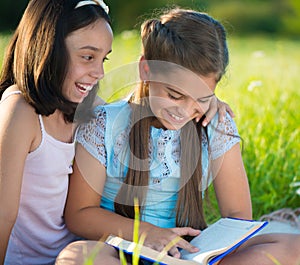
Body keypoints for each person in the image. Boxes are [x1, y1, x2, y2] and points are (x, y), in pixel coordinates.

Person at [56, 7, 300, 265]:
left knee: (292, 247)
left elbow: (238, 216)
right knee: (76, 257)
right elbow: (79, 214)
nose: (183, 112)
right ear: (146, 70)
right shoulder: (104, 124)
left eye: (202, 99)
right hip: (121, 250)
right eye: (174, 95)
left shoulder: (215, 125)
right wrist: (148, 234)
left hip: (188, 254)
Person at [0, 0, 122, 264]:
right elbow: (2, 214)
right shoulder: (21, 110)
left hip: (78, 253)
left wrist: (200, 100)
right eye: (88, 57)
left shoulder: (87, 110)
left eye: (104, 59)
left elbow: (137, 117)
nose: (99, 72)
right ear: (49, 48)